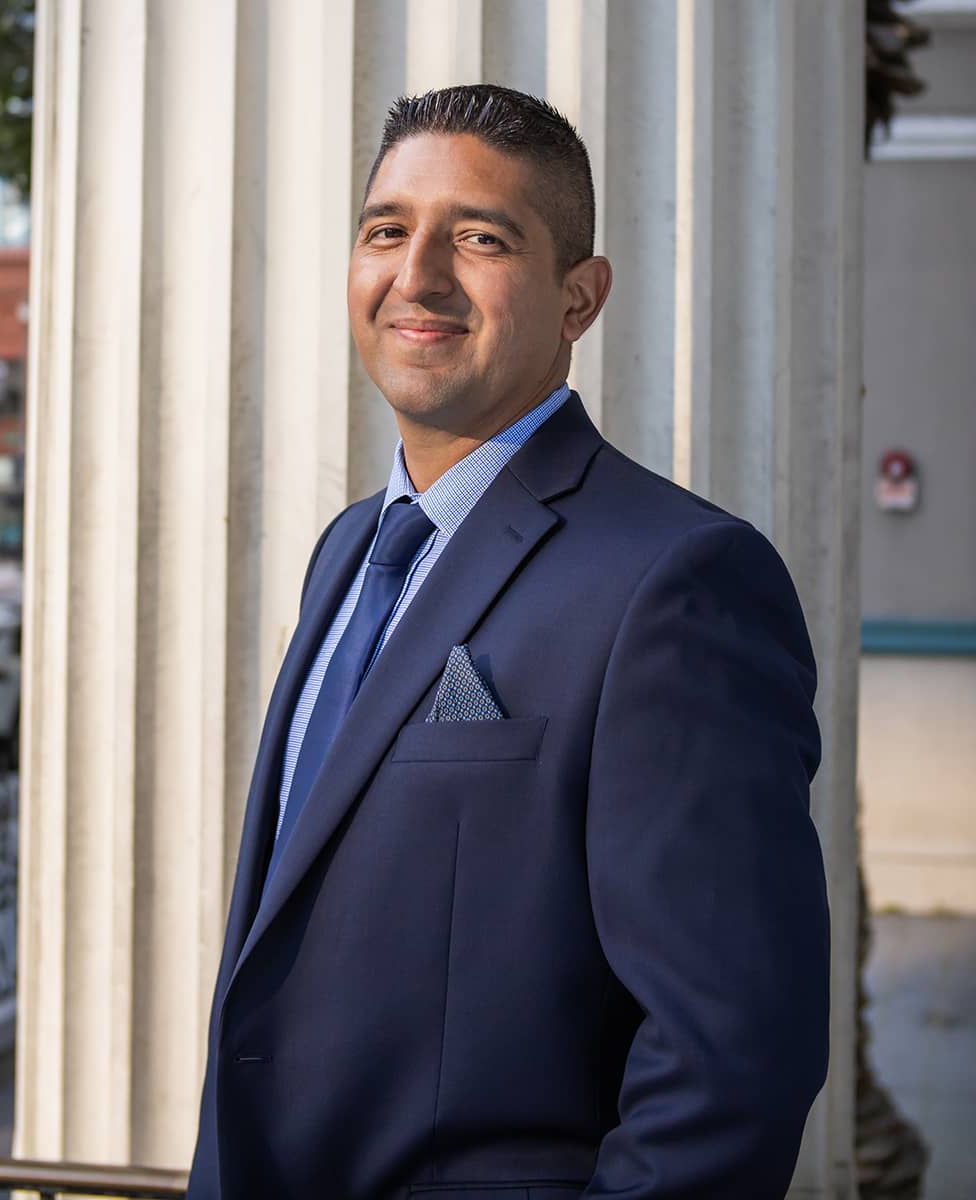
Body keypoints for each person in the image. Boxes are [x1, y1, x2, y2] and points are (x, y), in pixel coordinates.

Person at [187, 84, 829, 1200]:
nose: (417, 275)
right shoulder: (349, 549)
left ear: (579, 298)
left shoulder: (676, 581)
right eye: (387, 230)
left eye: (480, 238)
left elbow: (732, 1058)